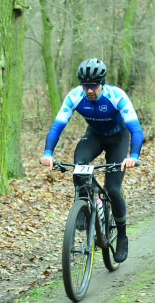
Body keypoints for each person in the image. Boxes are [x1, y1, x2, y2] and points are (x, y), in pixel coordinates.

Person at [40, 58, 143, 264]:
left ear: (102, 83)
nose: (89, 90)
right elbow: (57, 126)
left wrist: (133, 156)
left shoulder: (116, 96)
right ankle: (82, 204)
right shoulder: (75, 96)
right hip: (94, 136)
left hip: (118, 139)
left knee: (112, 189)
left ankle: (122, 236)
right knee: (79, 165)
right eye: (85, 86)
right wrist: (48, 152)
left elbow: (135, 128)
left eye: (93, 86)